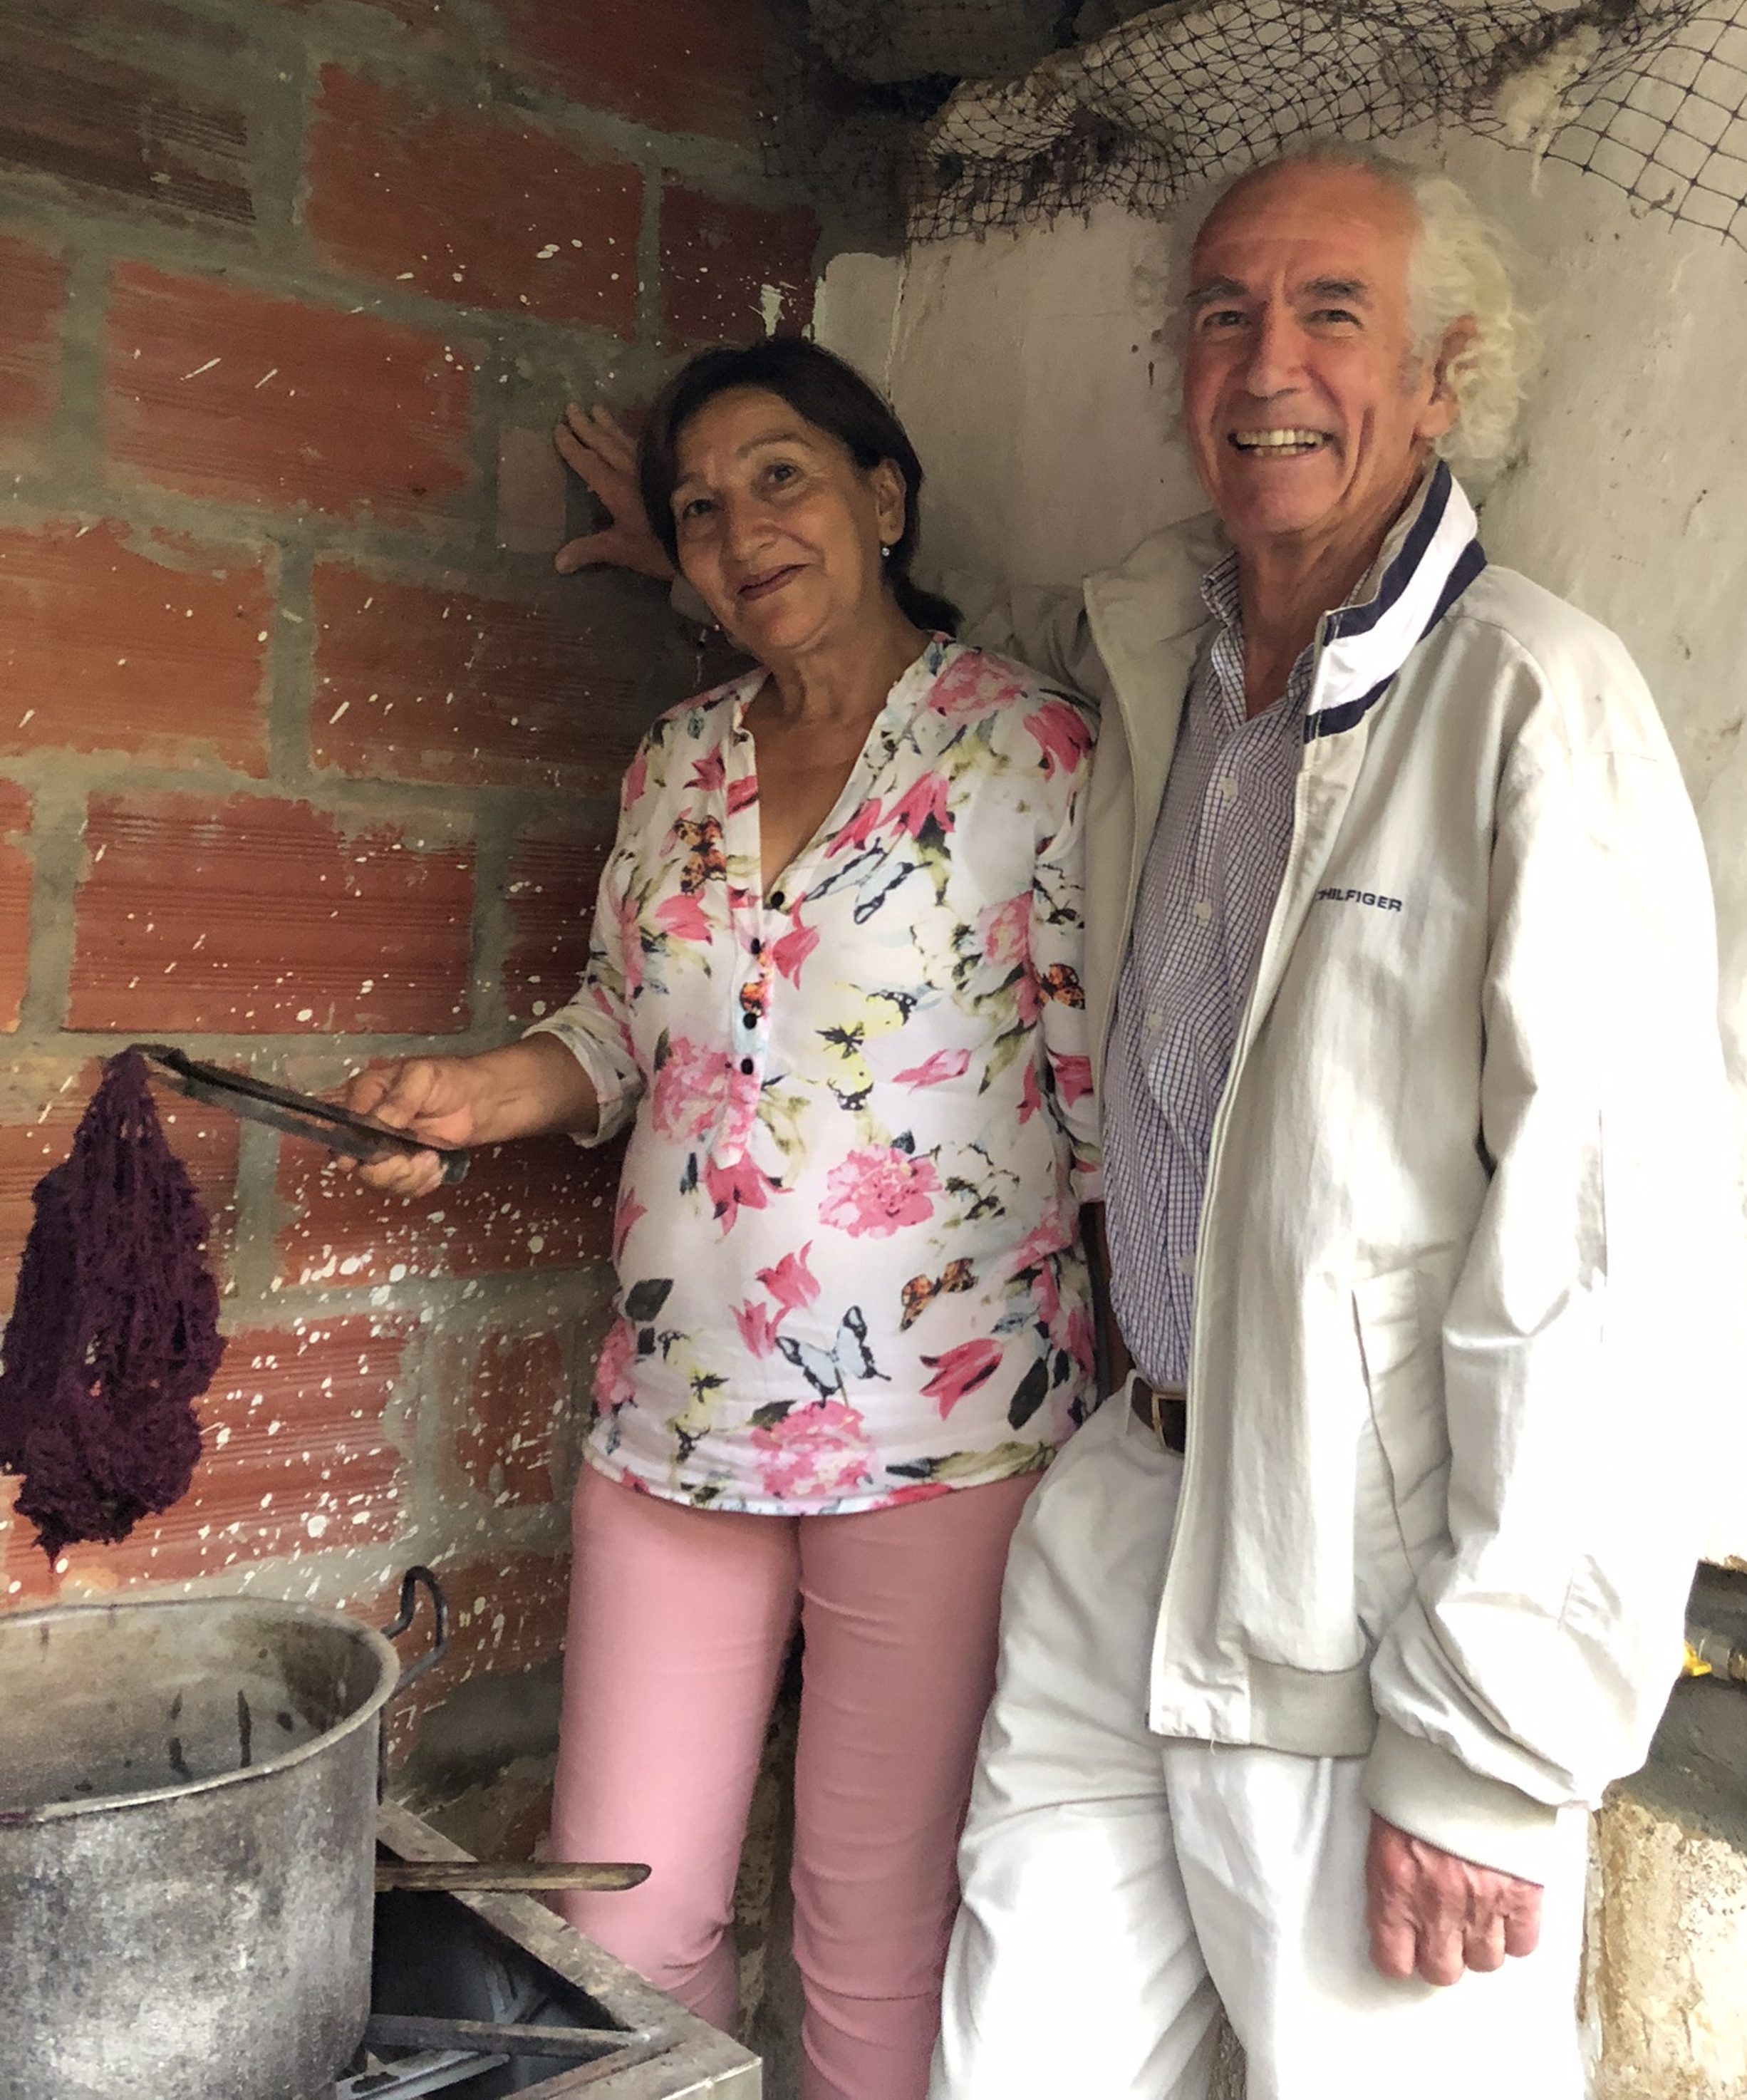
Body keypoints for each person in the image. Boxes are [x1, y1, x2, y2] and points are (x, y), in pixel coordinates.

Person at [902, 146, 1736, 2098]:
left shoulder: (1528, 698)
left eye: (1330, 312)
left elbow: (1609, 1254)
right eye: (1221, 312)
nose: (1264, 360)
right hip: (1125, 1520)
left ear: (1443, 375)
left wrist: (1491, 1735)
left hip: (1366, 1610)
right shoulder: (1160, 669)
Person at [343, 338, 1101, 2100]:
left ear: (881, 497)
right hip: (675, 1420)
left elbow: (1094, 1072)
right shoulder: (675, 764)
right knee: (616, 1929)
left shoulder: (1025, 748)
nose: (742, 527)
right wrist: (476, 1094)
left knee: (872, 1925)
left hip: (946, 1438)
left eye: (781, 476)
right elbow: (620, 1031)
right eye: (700, 508)